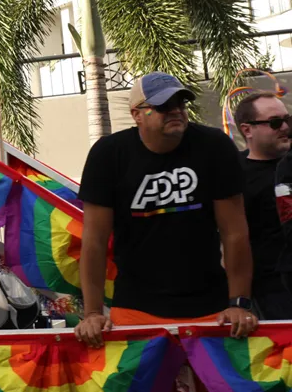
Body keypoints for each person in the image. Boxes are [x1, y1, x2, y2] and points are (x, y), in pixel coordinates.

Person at [74, 72, 257, 348]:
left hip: (212, 308)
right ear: (137, 114)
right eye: (163, 106)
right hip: (136, 308)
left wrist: (239, 303)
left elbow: (235, 233)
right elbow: (94, 241)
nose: (175, 111)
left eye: (180, 104)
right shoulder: (109, 154)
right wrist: (92, 313)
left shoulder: (214, 146)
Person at [235, 91, 292, 319]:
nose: (285, 127)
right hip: (272, 289)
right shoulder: (233, 173)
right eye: (275, 122)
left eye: (287, 119)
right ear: (247, 129)